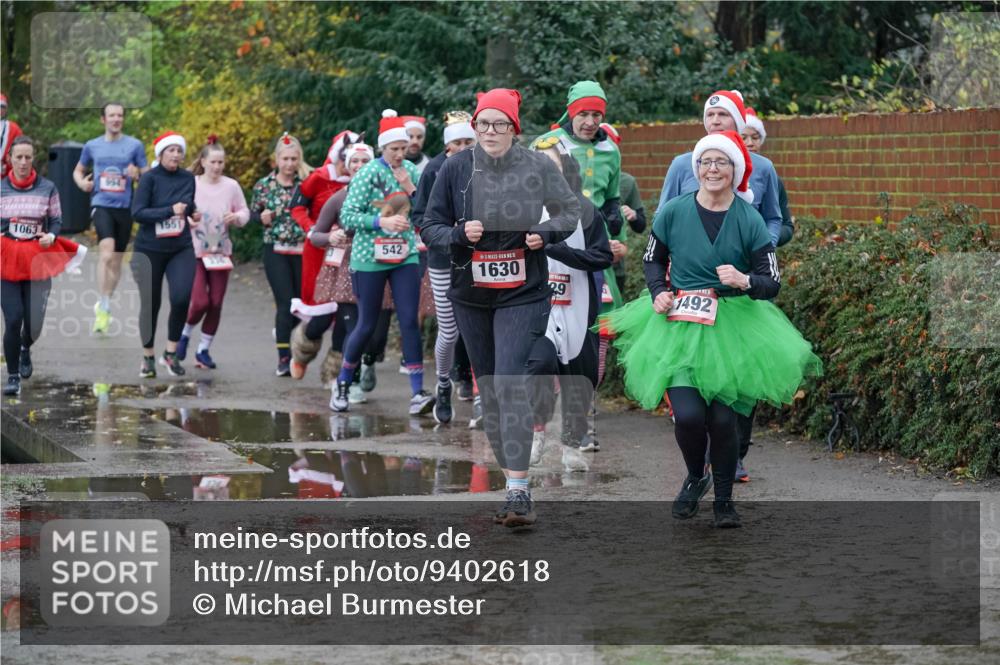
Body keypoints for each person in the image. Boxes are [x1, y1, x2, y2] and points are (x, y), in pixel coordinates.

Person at [607, 131, 822, 528]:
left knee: (723, 422)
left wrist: (744, 280)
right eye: (705, 162)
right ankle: (695, 476)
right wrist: (657, 291)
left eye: (721, 162)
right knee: (689, 416)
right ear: (697, 168)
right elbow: (653, 259)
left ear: (734, 170)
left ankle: (724, 500)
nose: (712, 169)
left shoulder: (748, 217)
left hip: (733, 325)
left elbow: (771, 281)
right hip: (680, 324)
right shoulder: (674, 211)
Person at [421, 88, 580, 527]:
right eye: (483, 124)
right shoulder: (455, 168)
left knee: (509, 382)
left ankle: (518, 491)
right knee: (490, 391)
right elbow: (429, 224)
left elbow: (569, 212)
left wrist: (545, 234)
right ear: (474, 127)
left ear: (514, 128)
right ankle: (512, 480)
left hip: (522, 292)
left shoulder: (536, 166)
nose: (490, 132)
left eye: (500, 124)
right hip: (471, 294)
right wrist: (457, 234)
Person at [531, 81, 625, 454]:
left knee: (591, 340)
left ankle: (580, 419)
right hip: (546, 251)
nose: (589, 121)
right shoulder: (547, 143)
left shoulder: (610, 149)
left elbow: (612, 198)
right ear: (571, 113)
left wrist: (616, 225)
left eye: (596, 114)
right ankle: (540, 420)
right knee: (544, 348)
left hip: (590, 246)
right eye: (583, 113)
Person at [330, 110, 434, 416]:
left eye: (403, 148)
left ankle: (417, 393)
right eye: (394, 149)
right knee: (366, 324)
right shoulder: (367, 174)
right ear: (382, 148)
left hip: (405, 255)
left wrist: (410, 186)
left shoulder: (411, 171)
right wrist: (381, 222)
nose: (400, 154)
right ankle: (343, 383)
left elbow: (428, 210)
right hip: (369, 258)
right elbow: (348, 216)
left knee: (409, 321)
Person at [527, 139, 613, 472]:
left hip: (578, 301)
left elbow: (602, 256)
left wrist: (556, 249)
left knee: (580, 374)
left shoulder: (585, 209)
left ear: (565, 167)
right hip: (536, 304)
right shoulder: (519, 208)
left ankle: (571, 444)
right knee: (538, 364)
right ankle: (536, 432)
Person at [289, 140, 375, 398]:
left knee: (349, 324)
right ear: (344, 161)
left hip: (365, 263)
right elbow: (299, 209)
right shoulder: (324, 182)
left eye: (365, 161)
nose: (359, 165)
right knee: (323, 317)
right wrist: (316, 231)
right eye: (354, 160)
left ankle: (336, 375)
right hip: (327, 258)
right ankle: (302, 349)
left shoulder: (379, 190)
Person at [1, 136, 87, 395]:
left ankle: (25, 347)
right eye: (19, 157)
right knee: (13, 318)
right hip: (7, 257)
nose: (23, 162)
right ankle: (13, 376)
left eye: (28, 157)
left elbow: (57, 219)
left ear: (33, 159)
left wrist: (51, 234)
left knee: (34, 323)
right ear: (10, 159)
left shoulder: (47, 187)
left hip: (37, 257)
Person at [410, 110, 477, 424]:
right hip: (443, 259)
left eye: (468, 142)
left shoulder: (485, 166)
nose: (463, 148)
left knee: (477, 328)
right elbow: (419, 216)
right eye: (457, 142)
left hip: (478, 260)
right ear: (447, 144)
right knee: (449, 331)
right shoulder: (434, 169)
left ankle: (481, 392)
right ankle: (443, 382)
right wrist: (447, 233)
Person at [657, 89, 783, 247]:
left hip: (744, 260)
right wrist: (670, 253)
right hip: (691, 258)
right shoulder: (681, 164)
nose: (715, 121)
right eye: (710, 115)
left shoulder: (764, 167)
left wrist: (764, 250)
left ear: (738, 121)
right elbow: (662, 216)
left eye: (723, 114)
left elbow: (772, 218)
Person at [131, 131, 201, 378]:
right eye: (171, 150)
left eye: (179, 151)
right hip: (149, 249)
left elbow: (188, 205)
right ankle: (148, 356)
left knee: (181, 298)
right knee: (151, 304)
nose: (176, 154)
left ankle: (171, 353)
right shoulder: (149, 179)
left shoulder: (188, 178)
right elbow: (138, 213)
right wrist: (169, 210)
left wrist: (193, 213)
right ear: (160, 154)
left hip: (180, 247)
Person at [176, 136, 249, 369]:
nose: (217, 167)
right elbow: (179, 211)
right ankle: (184, 334)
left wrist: (236, 217)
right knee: (200, 302)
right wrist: (188, 219)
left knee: (216, 302)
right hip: (194, 251)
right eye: (213, 162)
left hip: (220, 252)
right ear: (203, 162)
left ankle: (203, 350)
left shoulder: (231, 186)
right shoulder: (191, 183)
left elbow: (244, 212)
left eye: (221, 162)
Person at [74, 103, 148, 333]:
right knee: (106, 253)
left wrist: (137, 174)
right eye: (111, 115)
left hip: (125, 208)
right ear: (103, 119)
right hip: (101, 204)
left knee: (116, 261)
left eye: (120, 115)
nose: (116, 119)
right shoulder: (92, 145)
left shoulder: (135, 145)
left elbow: (148, 177)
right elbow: (78, 170)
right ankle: (104, 306)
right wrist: (82, 183)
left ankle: (105, 300)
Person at [251, 132, 311, 376]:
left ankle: (286, 337)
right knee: (285, 303)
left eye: (293, 159)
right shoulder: (264, 185)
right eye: (285, 159)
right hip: (275, 249)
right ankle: (284, 358)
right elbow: (252, 214)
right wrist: (261, 218)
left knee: (300, 305)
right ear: (276, 159)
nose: (289, 164)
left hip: (303, 249)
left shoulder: (306, 183)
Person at [289, 130, 362, 322]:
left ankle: (340, 342)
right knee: (320, 308)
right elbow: (296, 207)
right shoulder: (318, 177)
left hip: (349, 250)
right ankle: (306, 335)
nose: (350, 166)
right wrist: (310, 228)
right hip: (319, 247)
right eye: (346, 160)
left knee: (345, 308)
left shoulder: (362, 182)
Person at [742, 108, 794, 248]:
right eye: (743, 137)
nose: (750, 143)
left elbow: (786, 225)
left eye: (755, 137)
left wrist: (767, 239)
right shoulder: (720, 176)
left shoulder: (771, 177)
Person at [0, 92, 23, 179]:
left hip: (6, 173)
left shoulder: (13, 128)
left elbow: (21, 147)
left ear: (6, 109)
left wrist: (10, 157)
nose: (0, 109)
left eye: (2, 107)